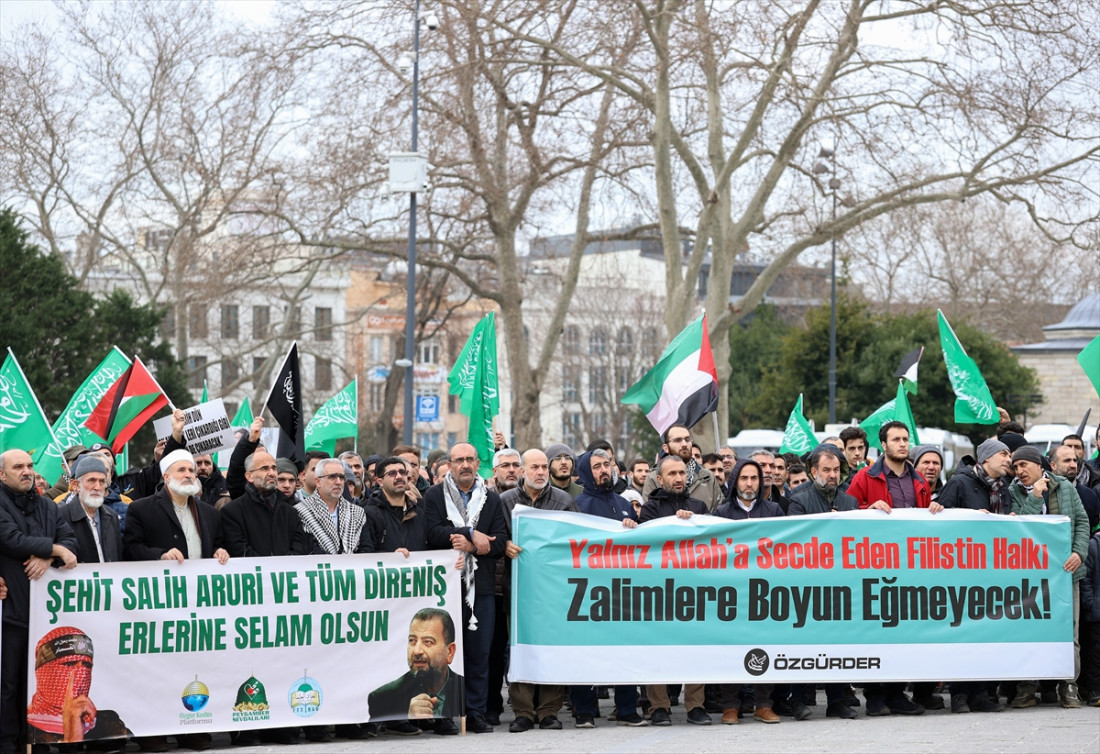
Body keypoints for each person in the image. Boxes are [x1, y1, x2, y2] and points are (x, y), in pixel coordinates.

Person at [846, 422, 932, 716]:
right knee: (874, 632)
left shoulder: (919, 480)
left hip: (909, 570)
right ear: (883, 444)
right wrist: (865, 511)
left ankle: (896, 692)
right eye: (896, 439)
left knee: (905, 632)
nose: (902, 444)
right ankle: (875, 694)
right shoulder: (864, 477)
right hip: (872, 568)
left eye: (906, 439)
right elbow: (845, 517)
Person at [423, 442, 509, 734]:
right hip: (444, 588)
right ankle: (445, 712)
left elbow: (499, 541)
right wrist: (468, 532)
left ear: (477, 463)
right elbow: (431, 533)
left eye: (470, 459)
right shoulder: (434, 496)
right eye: (459, 460)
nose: (465, 465)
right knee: (442, 654)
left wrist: (473, 545)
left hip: (480, 587)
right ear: (448, 464)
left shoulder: (491, 499)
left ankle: (475, 712)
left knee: (479, 652)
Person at [0, 450, 79, 754]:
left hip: (46, 617)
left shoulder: (47, 506)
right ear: (2, 475)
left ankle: (35, 741)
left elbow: (71, 542)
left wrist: (49, 555)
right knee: (9, 684)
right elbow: (11, 538)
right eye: (18, 467)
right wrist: (55, 549)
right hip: (11, 611)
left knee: (40, 685)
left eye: (30, 466)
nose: (27, 471)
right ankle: (8, 743)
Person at [569, 449, 647, 728]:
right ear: (586, 472)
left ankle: (627, 708)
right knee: (587, 650)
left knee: (626, 648)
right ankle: (585, 710)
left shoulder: (623, 503)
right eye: (597, 466)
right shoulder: (577, 505)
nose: (605, 470)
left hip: (623, 590)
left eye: (607, 464)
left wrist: (632, 528)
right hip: (589, 591)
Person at [500, 449, 577, 732]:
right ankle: (522, 711)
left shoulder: (564, 501)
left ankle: (548, 711)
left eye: (545, 466)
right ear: (521, 471)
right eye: (535, 467)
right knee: (521, 648)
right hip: (518, 589)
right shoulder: (505, 502)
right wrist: (504, 545)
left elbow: (578, 540)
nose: (542, 472)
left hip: (554, 591)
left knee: (550, 648)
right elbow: (495, 537)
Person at [1008, 445, 1088, 709]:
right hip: (1030, 576)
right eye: (1015, 467)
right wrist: (1035, 498)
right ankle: (1027, 687)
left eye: (1023, 465)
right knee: (1029, 631)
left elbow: (1082, 522)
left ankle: (1068, 686)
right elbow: (1017, 527)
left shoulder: (1064, 486)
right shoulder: (1014, 491)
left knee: (1069, 632)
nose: (1019, 472)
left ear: (1038, 465)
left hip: (1065, 572)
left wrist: (1078, 552)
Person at [26, 627, 130, 745]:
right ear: (44, 671)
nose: (81, 673)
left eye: (86, 665)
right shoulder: (21, 729)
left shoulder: (110, 725)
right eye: (69, 664)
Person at [368, 609, 464, 721]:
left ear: (450, 652)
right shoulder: (384, 698)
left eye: (428, 642)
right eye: (412, 641)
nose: (417, 651)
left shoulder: (465, 690)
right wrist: (407, 718)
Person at [294, 458, 373, 556]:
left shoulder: (357, 512)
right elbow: (309, 549)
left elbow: (366, 548)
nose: (339, 482)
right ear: (318, 481)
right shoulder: (301, 512)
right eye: (332, 477)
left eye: (341, 477)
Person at [641, 425, 724, 511]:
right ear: (666, 448)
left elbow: (718, 514)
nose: (684, 444)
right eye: (678, 440)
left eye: (687, 439)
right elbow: (650, 514)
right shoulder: (653, 478)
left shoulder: (708, 477)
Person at [60, 456, 122, 564]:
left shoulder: (112, 517)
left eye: (102, 481)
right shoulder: (61, 516)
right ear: (76, 485)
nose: (97, 487)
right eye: (91, 480)